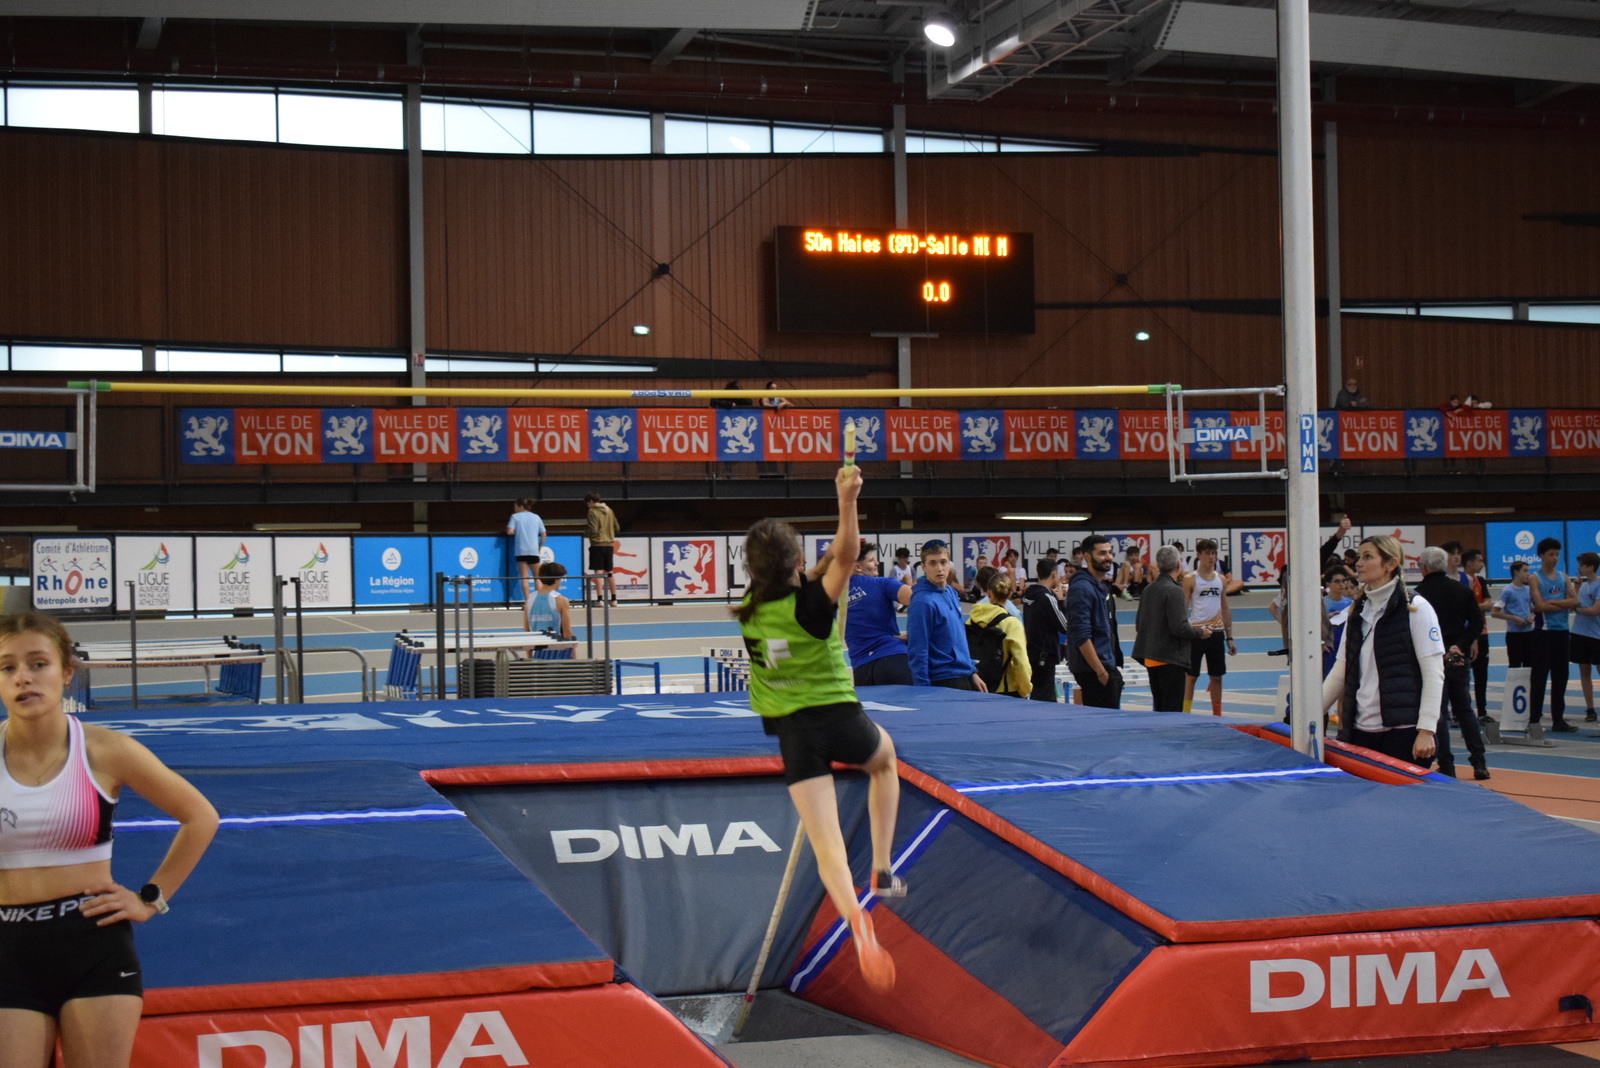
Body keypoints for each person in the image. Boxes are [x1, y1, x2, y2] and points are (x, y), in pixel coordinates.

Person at [0, 612, 219, 1068]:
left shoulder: (105, 751)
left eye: (38, 664)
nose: (23, 678)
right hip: (8, 948)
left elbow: (200, 817)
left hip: (93, 946)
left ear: (66, 673)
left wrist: (151, 899)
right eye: (8, 667)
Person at [733, 466, 902, 993]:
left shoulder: (749, 612)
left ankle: (855, 918)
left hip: (795, 735)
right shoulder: (812, 604)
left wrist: (827, 556)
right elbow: (847, 556)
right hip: (840, 719)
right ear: (797, 563)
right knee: (885, 763)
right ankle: (882, 866)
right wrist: (846, 500)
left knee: (827, 846)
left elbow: (831, 560)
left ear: (752, 569)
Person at [1320, 535, 1445, 766]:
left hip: (1403, 732)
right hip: (1360, 731)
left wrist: (1426, 730)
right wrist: (1312, 713)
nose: (1358, 563)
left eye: (1368, 557)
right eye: (1359, 556)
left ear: (1391, 564)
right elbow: (1341, 670)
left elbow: (1433, 673)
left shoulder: (1416, 608)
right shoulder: (1356, 610)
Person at [1414, 547, 1491, 779]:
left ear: (1424, 568)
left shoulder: (1418, 595)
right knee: (1465, 709)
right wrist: (1461, 646)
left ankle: (1447, 764)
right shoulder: (1461, 590)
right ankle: (1479, 762)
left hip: (1432, 657)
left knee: (1438, 713)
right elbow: (1477, 623)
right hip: (1458, 657)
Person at [1133, 546, 1213, 713]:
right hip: (1169, 659)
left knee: (1159, 708)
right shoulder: (1174, 590)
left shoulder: (1148, 589)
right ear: (1178, 564)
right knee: (1172, 711)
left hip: (1151, 658)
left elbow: (1139, 624)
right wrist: (1201, 632)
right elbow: (1179, 627)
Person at [907, 541, 986, 692]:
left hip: (963, 675)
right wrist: (922, 691)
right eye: (932, 563)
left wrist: (971, 671)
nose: (939, 568)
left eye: (943, 562)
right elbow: (917, 650)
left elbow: (958, 638)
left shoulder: (951, 592)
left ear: (949, 564)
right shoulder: (922, 602)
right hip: (943, 680)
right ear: (923, 567)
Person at [1528, 537, 1580, 733]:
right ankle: (1534, 719)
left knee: (1561, 676)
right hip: (1544, 633)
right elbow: (1540, 606)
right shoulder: (1535, 578)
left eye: (1557, 554)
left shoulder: (1563, 577)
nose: (1555, 558)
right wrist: (1562, 603)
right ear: (1541, 555)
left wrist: (1552, 602)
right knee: (1539, 677)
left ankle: (1558, 719)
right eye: (1551, 554)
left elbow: (1574, 603)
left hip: (1562, 631)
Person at [1181, 538, 1236, 716]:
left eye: (1213, 553)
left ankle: (1217, 714)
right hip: (1196, 633)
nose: (1211, 557)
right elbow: (1184, 608)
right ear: (1198, 555)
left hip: (1216, 632)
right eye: (1207, 553)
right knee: (1191, 676)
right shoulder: (1190, 579)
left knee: (1216, 677)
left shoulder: (1221, 580)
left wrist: (1230, 637)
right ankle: (1185, 713)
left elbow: (1225, 608)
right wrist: (1183, 632)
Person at [846, 544, 914, 687]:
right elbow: (921, 601)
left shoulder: (834, 598)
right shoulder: (882, 583)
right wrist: (914, 634)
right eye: (871, 560)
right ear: (858, 567)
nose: (877, 563)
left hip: (861, 669)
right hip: (893, 658)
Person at [1066, 535, 1121, 708]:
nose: (1109, 557)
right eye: (1102, 553)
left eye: (1110, 552)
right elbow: (1081, 635)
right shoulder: (1081, 589)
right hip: (1094, 672)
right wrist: (1101, 672)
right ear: (1087, 557)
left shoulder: (1100, 587)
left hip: (1106, 666)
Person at [967, 574, 1031, 698]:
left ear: (989, 593)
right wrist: (1025, 689)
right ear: (1010, 594)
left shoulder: (972, 620)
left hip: (976, 686)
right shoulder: (1012, 624)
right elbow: (1021, 662)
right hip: (1005, 690)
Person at [1022, 558, 1071, 703]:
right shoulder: (1047, 598)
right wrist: (1061, 602)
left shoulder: (1029, 595)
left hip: (1032, 651)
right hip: (1045, 655)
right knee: (1046, 698)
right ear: (1054, 574)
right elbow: (1065, 626)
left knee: (1037, 694)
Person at [1461, 549, 1493, 721]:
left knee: (1482, 676)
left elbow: (1488, 603)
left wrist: (1474, 607)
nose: (1482, 564)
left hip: (1482, 633)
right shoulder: (1459, 581)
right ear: (1469, 563)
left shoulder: (1480, 581)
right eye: (1479, 561)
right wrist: (1477, 607)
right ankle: (1460, 712)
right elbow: (1462, 607)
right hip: (1465, 634)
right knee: (1462, 676)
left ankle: (1482, 712)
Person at [1569, 552, 1600, 723]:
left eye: (1582, 565)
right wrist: (1576, 589)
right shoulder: (1581, 585)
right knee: (1584, 671)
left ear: (1590, 567)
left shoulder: (1599, 585)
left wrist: (1577, 609)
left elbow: (1594, 610)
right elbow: (1572, 603)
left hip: (1596, 634)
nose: (1579, 568)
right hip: (1580, 633)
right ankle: (1590, 708)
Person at [1493, 561, 1536, 674]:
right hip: (1514, 635)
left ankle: (1528, 685)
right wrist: (1514, 618)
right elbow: (1494, 612)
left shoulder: (1528, 589)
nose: (1528, 574)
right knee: (1515, 665)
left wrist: (1532, 616)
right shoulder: (1507, 591)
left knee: (1530, 665)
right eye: (1525, 571)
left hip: (1529, 633)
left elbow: (1533, 608)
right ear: (1516, 572)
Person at [526, 561, 576, 659]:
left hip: (536, 653)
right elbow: (567, 633)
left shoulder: (529, 600)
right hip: (556, 653)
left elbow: (527, 631)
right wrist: (574, 659)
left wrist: (529, 659)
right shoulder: (561, 600)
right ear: (557, 579)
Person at [506, 498, 547, 602]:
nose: (514, 509)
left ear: (520, 507)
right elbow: (543, 534)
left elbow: (509, 531)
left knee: (524, 578)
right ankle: (538, 601)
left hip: (521, 550)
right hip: (533, 550)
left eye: (515, 507)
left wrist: (518, 533)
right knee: (537, 577)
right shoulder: (536, 517)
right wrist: (539, 546)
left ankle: (527, 602)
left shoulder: (515, 517)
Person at [584, 492, 619, 606]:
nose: (587, 505)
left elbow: (593, 530)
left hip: (597, 544)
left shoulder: (592, 512)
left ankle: (600, 599)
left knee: (598, 571)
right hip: (609, 544)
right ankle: (614, 599)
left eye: (587, 503)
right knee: (609, 571)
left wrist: (588, 534)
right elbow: (617, 527)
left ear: (590, 501)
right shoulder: (609, 510)